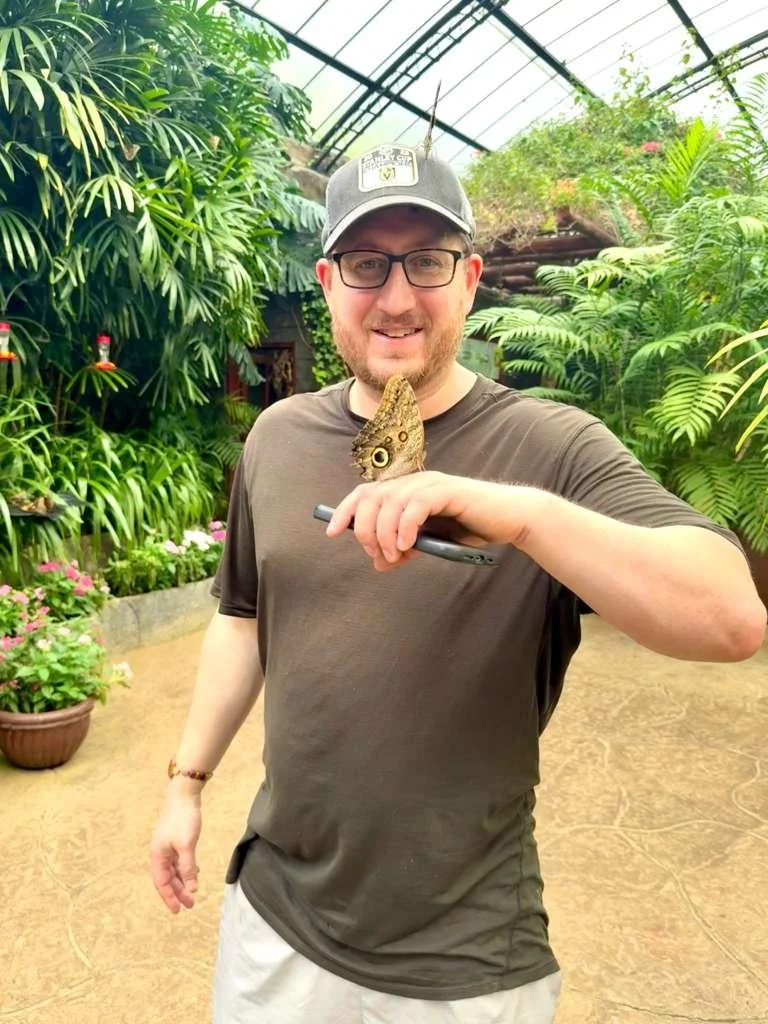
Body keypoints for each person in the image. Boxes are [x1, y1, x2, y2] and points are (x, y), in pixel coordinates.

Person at [150, 142, 767, 1023]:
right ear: (327, 282)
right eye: (367, 264)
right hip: (276, 925)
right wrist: (186, 784)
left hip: (465, 959)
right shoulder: (277, 439)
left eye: (427, 263)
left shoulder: (552, 447)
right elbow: (243, 619)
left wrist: (519, 517)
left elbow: (730, 618)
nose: (397, 298)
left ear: (471, 278)